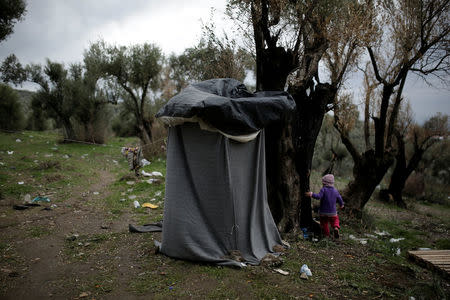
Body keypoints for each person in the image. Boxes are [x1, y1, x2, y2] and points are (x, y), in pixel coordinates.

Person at [306, 174, 344, 238]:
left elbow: (318, 197)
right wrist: (341, 205)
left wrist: (311, 194)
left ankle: (327, 235)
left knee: (324, 223)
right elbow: (340, 198)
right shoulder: (335, 191)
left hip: (323, 212)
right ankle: (336, 227)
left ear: (324, 183)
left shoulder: (323, 189)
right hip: (333, 212)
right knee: (335, 220)